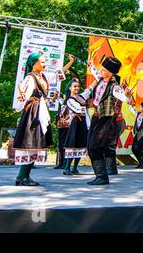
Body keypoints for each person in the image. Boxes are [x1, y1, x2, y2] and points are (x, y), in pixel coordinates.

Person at [13, 52, 74, 186]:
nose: (45, 64)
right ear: (34, 64)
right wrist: (22, 100)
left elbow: (59, 73)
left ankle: (25, 176)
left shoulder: (43, 77)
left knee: (36, 144)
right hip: (33, 113)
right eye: (42, 62)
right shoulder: (30, 79)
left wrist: (70, 63)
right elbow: (21, 98)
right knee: (31, 144)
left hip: (39, 111)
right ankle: (21, 177)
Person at [86, 57, 131, 185]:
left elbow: (122, 97)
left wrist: (127, 96)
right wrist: (91, 65)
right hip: (96, 117)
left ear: (110, 73)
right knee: (90, 146)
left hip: (105, 119)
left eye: (104, 69)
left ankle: (102, 176)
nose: (101, 70)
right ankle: (100, 175)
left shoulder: (114, 87)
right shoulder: (100, 79)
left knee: (96, 146)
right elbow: (94, 70)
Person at [62, 78, 97, 175]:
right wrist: (87, 104)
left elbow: (88, 90)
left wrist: (95, 82)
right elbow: (78, 109)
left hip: (83, 124)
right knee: (72, 145)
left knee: (81, 145)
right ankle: (67, 168)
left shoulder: (80, 97)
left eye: (78, 86)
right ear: (70, 88)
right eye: (74, 86)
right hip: (75, 124)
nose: (77, 88)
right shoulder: (70, 100)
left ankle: (75, 168)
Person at [128, 99, 143, 169]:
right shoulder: (138, 114)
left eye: (141, 107)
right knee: (134, 149)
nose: (139, 107)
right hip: (138, 134)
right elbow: (131, 109)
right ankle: (142, 163)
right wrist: (129, 103)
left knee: (137, 148)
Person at [54, 95, 70, 170]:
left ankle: (65, 163)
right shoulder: (63, 104)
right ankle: (60, 163)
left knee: (65, 144)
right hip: (60, 126)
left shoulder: (70, 103)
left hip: (67, 126)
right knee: (60, 144)